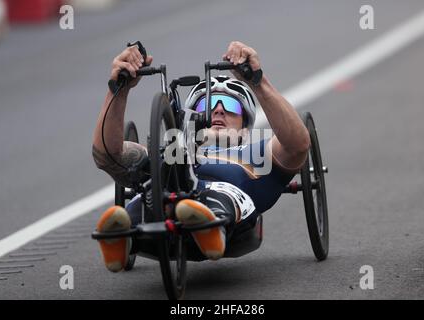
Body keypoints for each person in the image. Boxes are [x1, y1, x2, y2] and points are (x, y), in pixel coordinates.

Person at [92, 41, 310, 272]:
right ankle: (122, 233)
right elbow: (106, 154)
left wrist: (256, 80)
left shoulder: (259, 153)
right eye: (206, 104)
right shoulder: (168, 152)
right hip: (170, 191)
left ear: (245, 126)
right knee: (150, 190)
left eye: (229, 105)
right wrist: (118, 89)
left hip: (229, 203)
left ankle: (208, 223)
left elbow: (298, 145)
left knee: (224, 193)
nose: (217, 110)